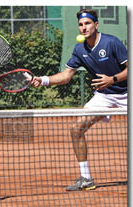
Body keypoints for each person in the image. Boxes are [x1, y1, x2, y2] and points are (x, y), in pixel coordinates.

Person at [32, 9, 127, 191]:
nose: (84, 28)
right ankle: (86, 178)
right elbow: (66, 75)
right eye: (81, 25)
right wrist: (43, 80)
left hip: (126, 92)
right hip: (104, 97)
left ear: (96, 25)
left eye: (88, 23)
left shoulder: (112, 42)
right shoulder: (79, 49)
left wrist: (112, 79)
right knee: (76, 129)